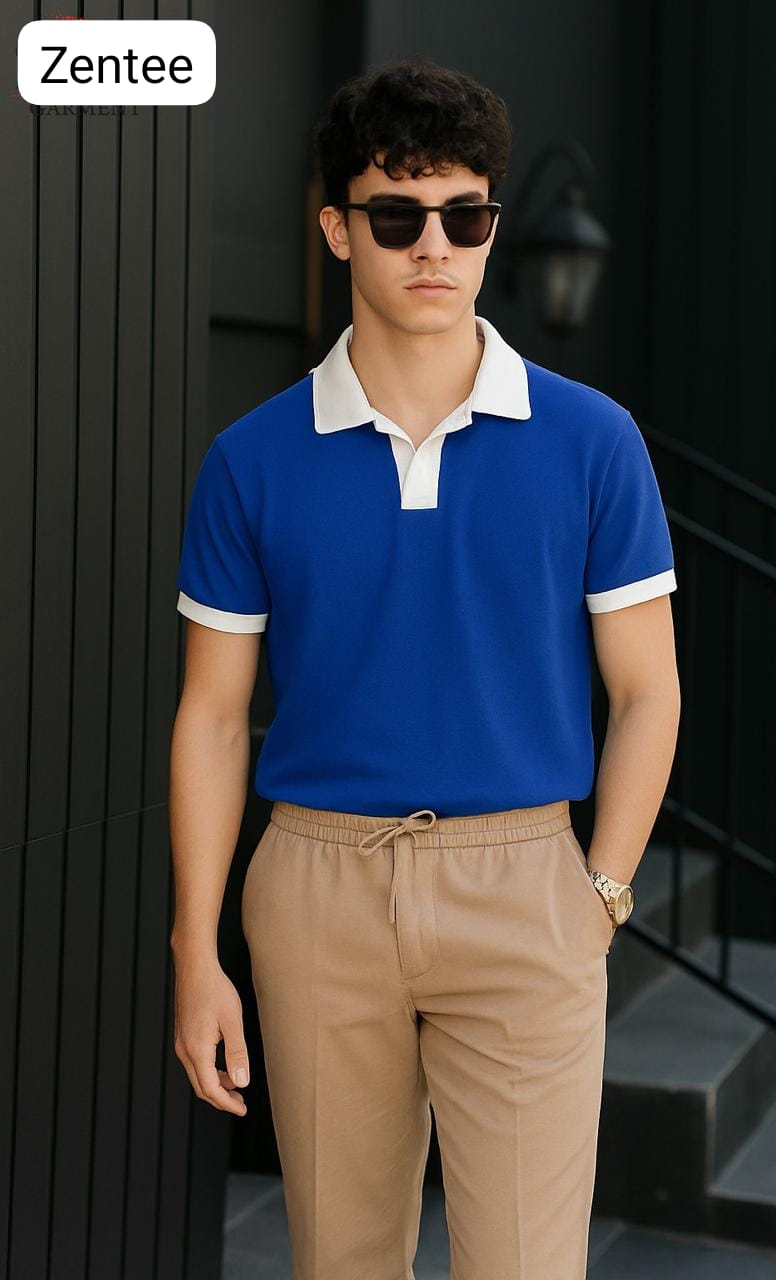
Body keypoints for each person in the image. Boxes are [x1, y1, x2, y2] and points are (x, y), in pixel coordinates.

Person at [169, 53, 680, 1280]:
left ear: (492, 224)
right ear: (337, 229)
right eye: (397, 216)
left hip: (525, 885)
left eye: (466, 214)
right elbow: (214, 717)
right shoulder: (251, 460)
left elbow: (647, 690)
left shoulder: (593, 441)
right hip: (316, 888)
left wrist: (599, 894)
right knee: (340, 1261)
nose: (434, 246)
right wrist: (196, 949)